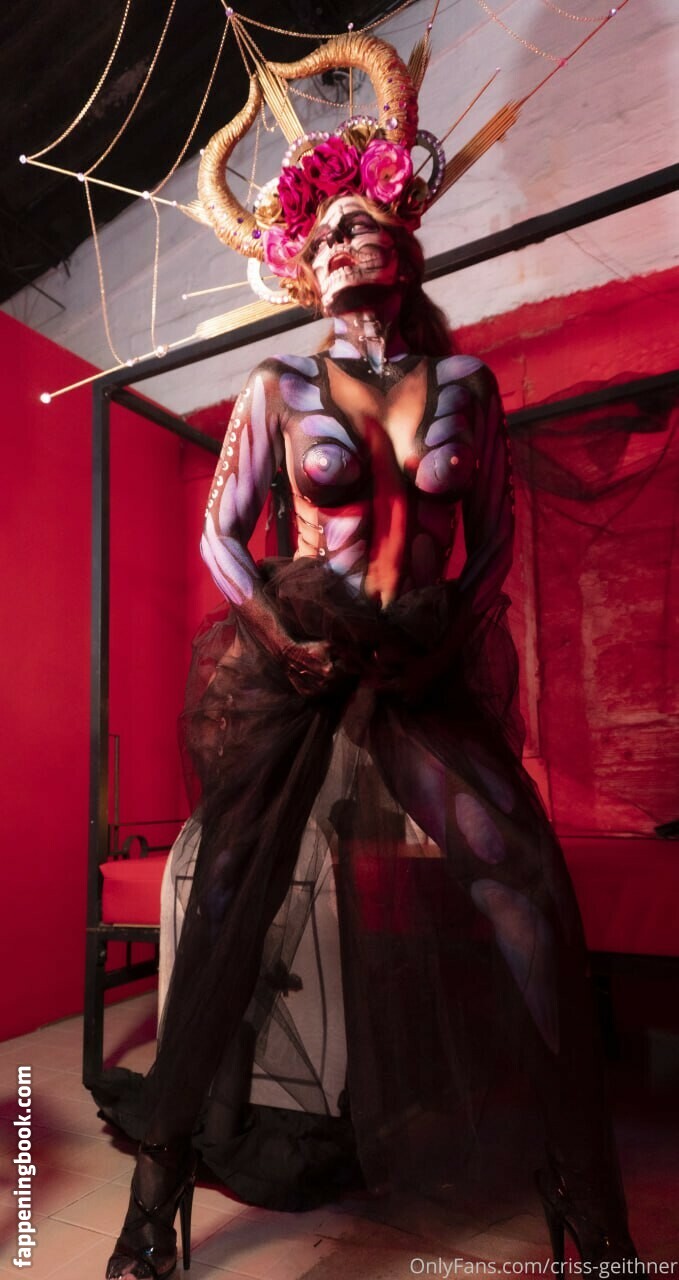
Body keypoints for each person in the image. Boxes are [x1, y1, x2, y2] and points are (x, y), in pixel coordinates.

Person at [105, 34, 640, 1279]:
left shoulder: (470, 384)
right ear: (304, 269)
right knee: (227, 900)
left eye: (366, 219)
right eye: (327, 228)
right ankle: (154, 1194)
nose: (347, 235)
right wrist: (275, 633)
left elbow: (494, 537)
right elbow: (220, 534)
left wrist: (453, 625)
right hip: (301, 648)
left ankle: (582, 1192)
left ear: (405, 242)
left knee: (525, 879)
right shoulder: (276, 385)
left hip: (420, 657)